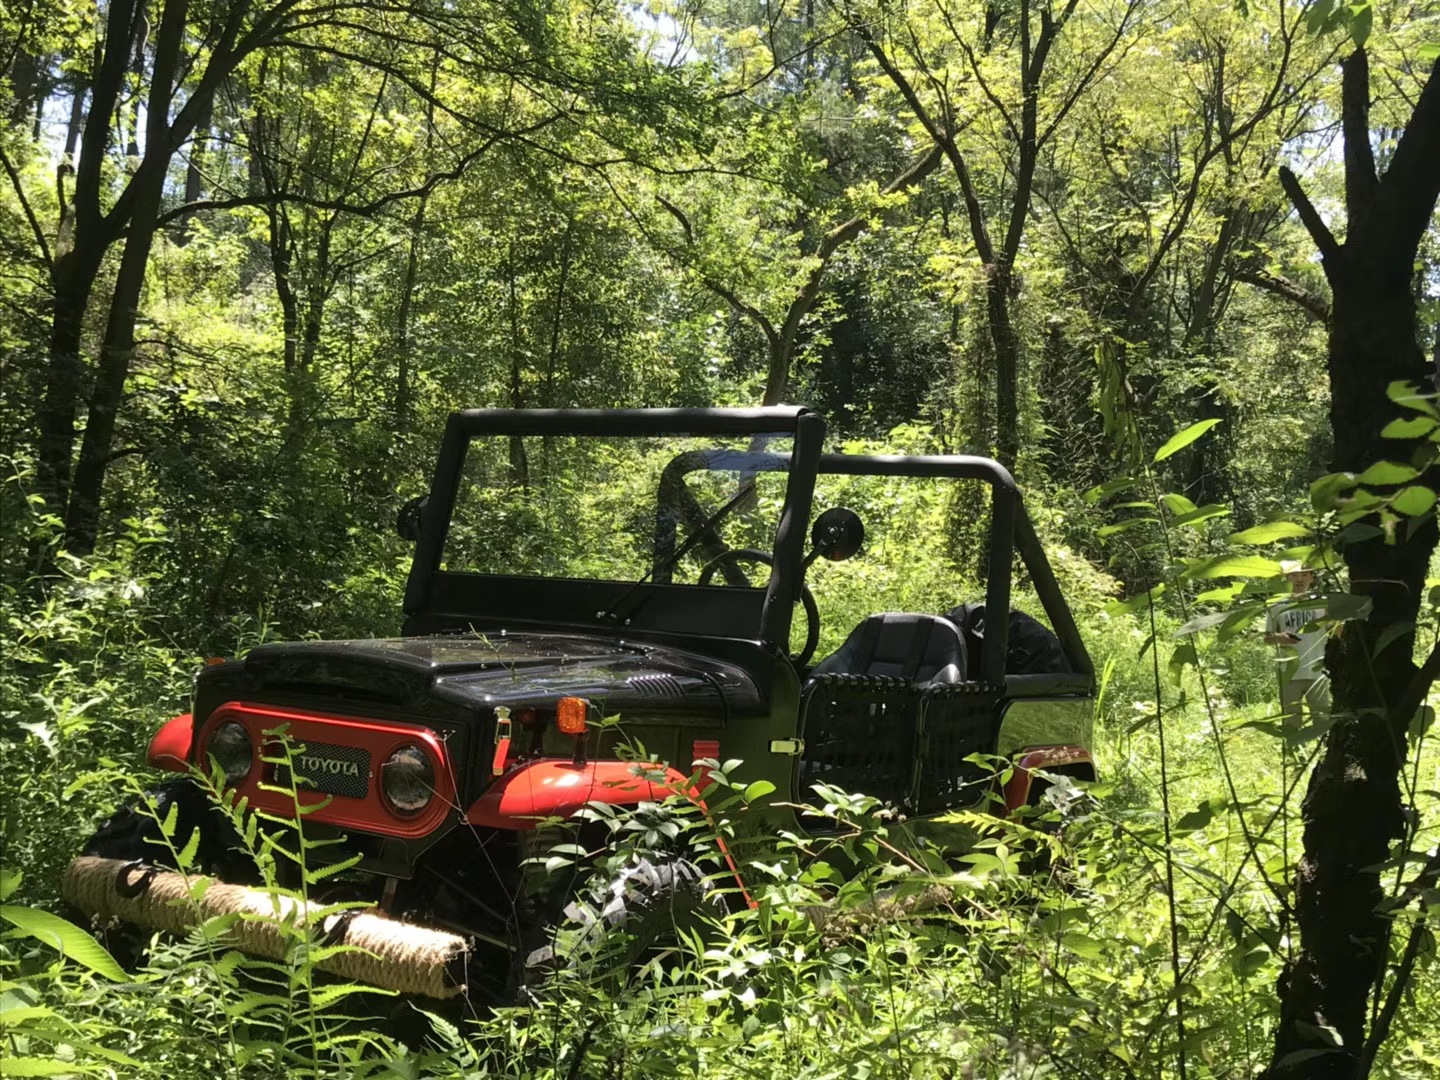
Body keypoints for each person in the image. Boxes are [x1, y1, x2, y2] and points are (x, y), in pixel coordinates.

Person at [1264, 562, 1329, 729]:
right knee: (1291, 723)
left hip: (1318, 671)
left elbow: (1337, 630)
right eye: (1294, 575)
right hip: (1289, 672)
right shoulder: (1277, 604)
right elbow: (1267, 637)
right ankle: (1293, 751)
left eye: (1304, 574)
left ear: (1312, 577)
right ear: (1287, 577)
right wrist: (1280, 637)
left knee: (1322, 722)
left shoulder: (1322, 602)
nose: (1299, 579)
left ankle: (1323, 754)